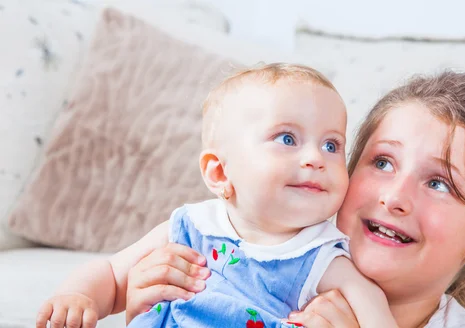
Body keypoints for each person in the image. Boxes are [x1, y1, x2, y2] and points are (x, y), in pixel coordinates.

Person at [125, 71, 465, 328]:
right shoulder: (244, 268)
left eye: (439, 184)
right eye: (381, 162)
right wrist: (140, 310)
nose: (395, 197)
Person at [36, 63, 399, 328]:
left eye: (331, 144)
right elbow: (113, 276)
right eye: (287, 139)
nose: (316, 159)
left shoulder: (320, 256)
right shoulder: (191, 226)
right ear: (220, 173)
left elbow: (373, 309)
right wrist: (78, 297)